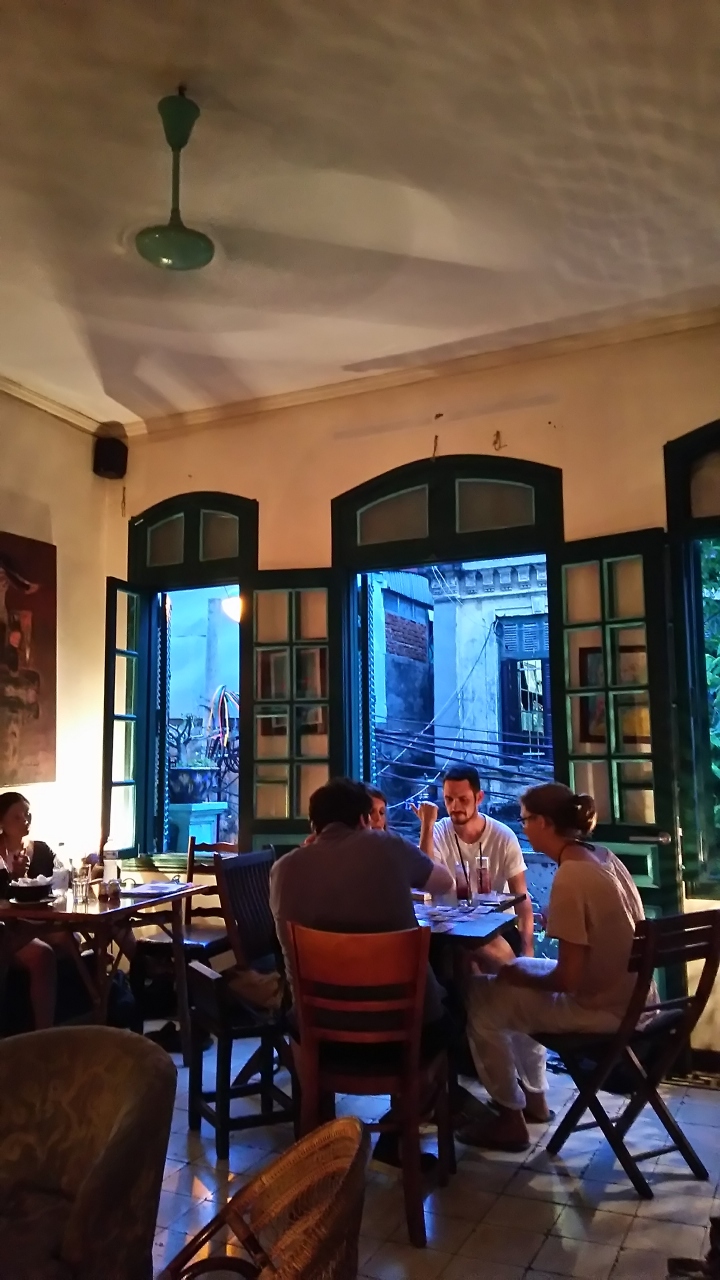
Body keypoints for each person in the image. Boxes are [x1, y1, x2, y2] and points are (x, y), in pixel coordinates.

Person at [270, 776, 454, 1168]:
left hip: (320, 1033)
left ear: (314, 824)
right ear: (363, 819)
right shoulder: (386, 846)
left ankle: (318, 1151)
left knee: (294, 1018)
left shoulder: (283, 869)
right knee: (451, 1013)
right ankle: (399, 1132)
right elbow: (445, 882)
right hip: (402, 1030)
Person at [460, 782, 650, 1151]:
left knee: (481, 1001)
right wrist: (519, 970)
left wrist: (517, 972)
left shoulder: (572, 875)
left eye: (525, 820)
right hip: (637, 1001)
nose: (523, 828)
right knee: (510, 984)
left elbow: (566, 979)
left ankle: (510, 1119)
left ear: (545, 822)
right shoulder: (604, 857)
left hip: (602, 1009)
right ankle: (534, 1101)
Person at [413, 764, 535, 966]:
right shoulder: (438, 831)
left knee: (477, 951)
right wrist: (427, 826)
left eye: (463, 800)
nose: (455, 806)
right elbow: (425, 878)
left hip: (496, 927)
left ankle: (516, 974)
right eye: (449, 799)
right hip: (449, 929)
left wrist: (528, 950)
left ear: (479, 798)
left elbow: (522, 899)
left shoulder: (503, 836)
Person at [0, 791, 58, 1028]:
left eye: (27, 814)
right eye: (17, 816)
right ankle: (43, 1033)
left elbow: (58, 881)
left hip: (33, 922)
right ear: (1, 822)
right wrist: (14, 877)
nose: (25, 820)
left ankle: (99, 1008)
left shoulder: (41, 850)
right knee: (43, 954)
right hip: (8, 927)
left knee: (69, 937)